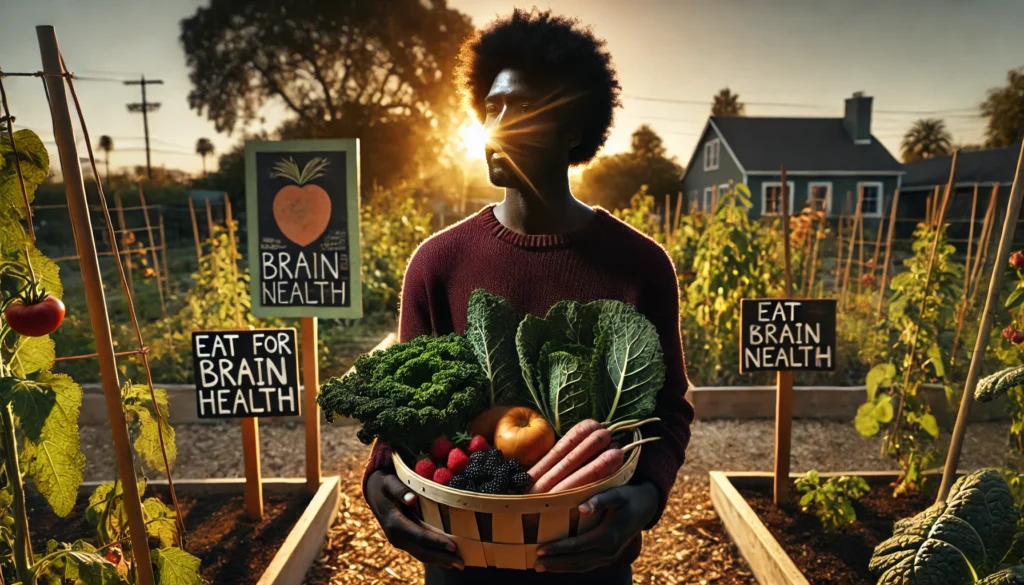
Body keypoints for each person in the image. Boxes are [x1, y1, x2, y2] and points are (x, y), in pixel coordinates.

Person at [362, 9, 694, 585]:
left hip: (590, 562)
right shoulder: (437, 264)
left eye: (523, 108)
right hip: (461, 562)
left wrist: (642, 504)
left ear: (573, 128)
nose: (499, 124)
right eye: (492, 107)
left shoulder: (641, 266)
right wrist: (377, 485)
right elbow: (403, 407)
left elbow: (668, 410)